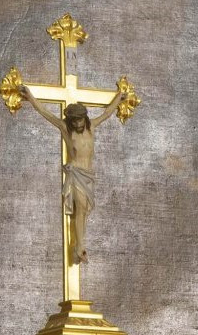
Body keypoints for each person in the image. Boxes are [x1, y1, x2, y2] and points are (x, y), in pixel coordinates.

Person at [18, 85, 126, 264]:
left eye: (80, 120)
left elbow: (107, 113)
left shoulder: (92, 127)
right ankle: (81, 247)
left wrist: (120, 95)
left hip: (88, 175)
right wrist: (30, 97)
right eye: (74, 121)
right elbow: (45, 113)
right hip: (76, 174)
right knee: (81, 207)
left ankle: (78, 246)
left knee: (84, 212)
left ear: (85, 118)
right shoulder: (66, 129)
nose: (77, 124)